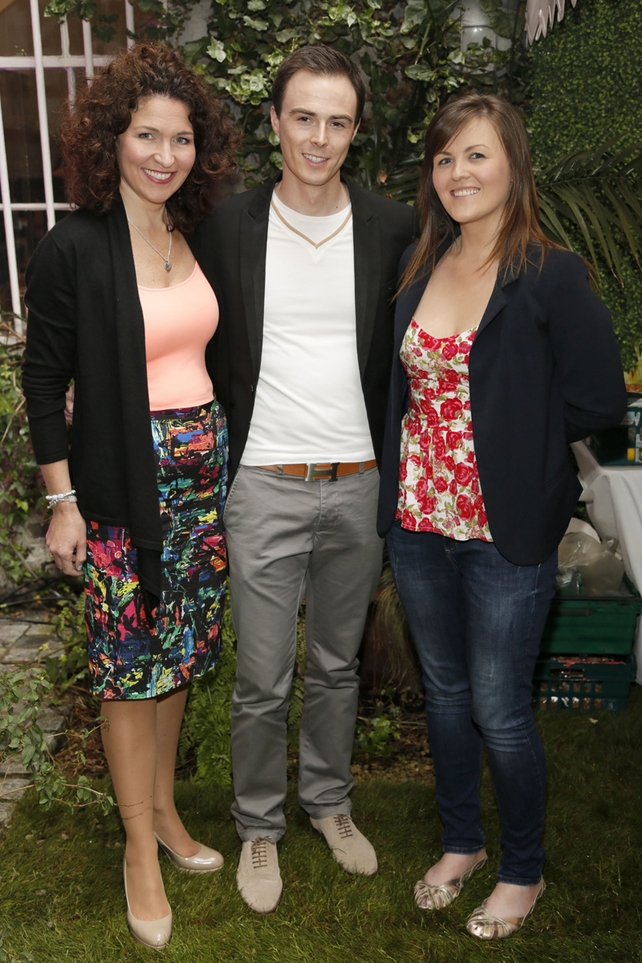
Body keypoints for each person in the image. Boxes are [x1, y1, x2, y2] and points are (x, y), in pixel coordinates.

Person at [377, 92, 626, 940]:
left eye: (476, 155)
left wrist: (529, 463)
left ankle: (522, 867)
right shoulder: (424, 261)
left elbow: (597, 398)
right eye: (445, 159)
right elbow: (402, 391)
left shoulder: (550, 270)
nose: (458, 173)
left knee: (499, 705)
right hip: (417, 523)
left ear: (512, 163)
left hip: (504, 531)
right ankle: (461, 842)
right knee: (445, 693)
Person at [22, 42, 238, 950]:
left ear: (199, 148)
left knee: (178, 652)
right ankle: (135, 849)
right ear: (111, 139)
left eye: (180, 137)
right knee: (127, 666)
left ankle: (163, 815)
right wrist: (63, 500)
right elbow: (43, 379)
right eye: (146, 134)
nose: (163, 153)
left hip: (202, 484)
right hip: (120, 487)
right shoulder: (76, 244)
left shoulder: (198, 234)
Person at [192, 44, 418, 913]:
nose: (319, 137)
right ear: (276, 122)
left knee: (334, 666)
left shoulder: (394, 227)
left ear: (356, 131)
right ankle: (259, 825)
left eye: (338, 121)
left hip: (358, 482)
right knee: (261, 675)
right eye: (304, 117)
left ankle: (328, 802)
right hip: (263, 482)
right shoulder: (225, 226)